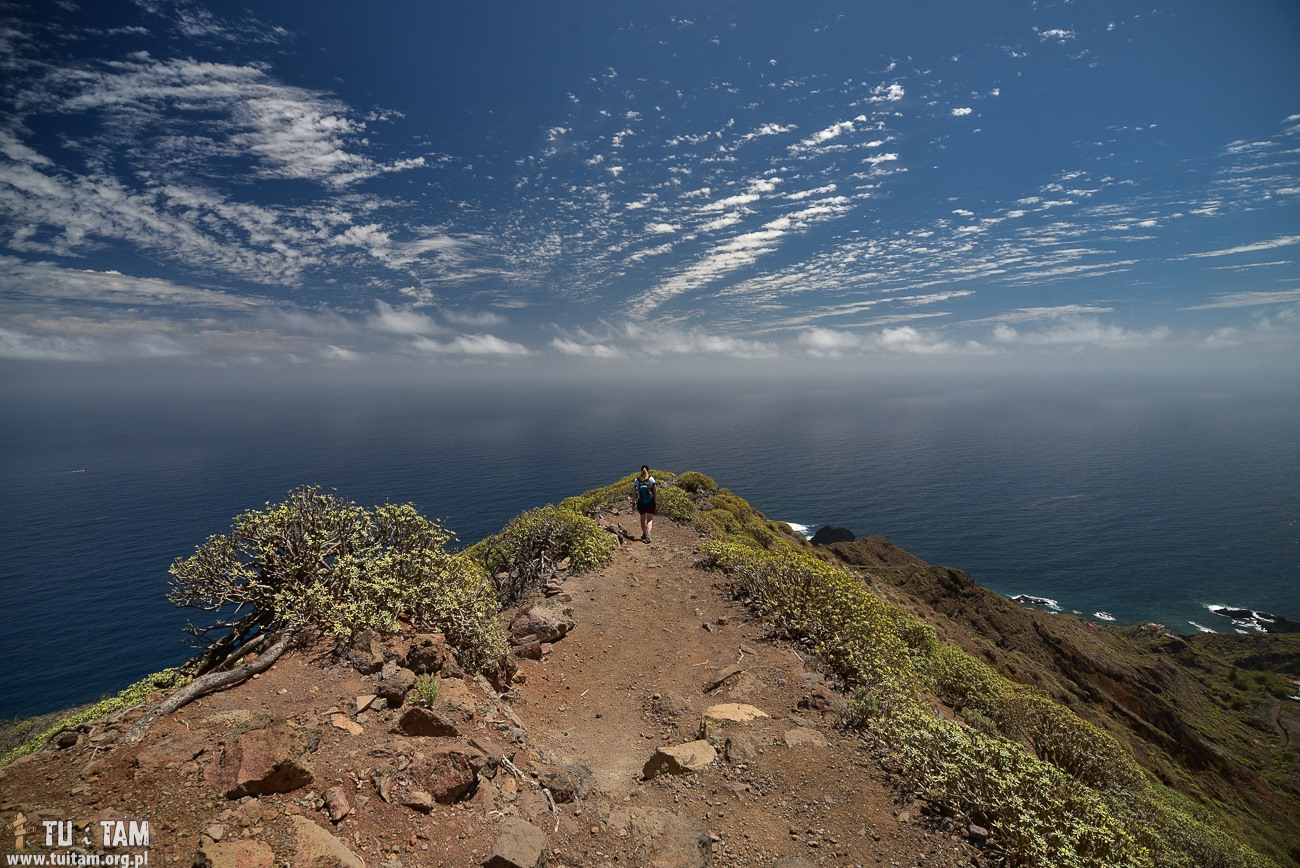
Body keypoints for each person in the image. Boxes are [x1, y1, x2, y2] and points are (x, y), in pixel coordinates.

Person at [633, 465, 657, 543]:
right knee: (649, 519)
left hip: (641, 503)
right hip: (651, 502)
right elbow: (654, 491)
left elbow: (635, 493)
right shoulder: (651, 479)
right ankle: (648, 534)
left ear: (641, 471)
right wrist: (655, 500)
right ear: (648, 470)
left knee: (643, 519)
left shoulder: (637, 480)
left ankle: (644, 533)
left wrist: (633, 503)